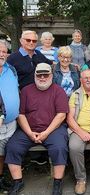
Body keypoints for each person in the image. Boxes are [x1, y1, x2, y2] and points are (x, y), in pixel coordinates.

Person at [5, 63, 69, 195]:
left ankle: (57, 182)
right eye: (39, 75)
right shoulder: (26, 90)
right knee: (12, 147)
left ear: (51, 75)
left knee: (59, 148)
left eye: (46, 74)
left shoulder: (58, 91)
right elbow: (20, 114)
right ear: (35, 75)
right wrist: (29, 133)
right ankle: (18, 182)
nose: (42, 77)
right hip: (29, 128)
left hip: (53, 129)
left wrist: (46, 133)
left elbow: (61, 115)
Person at [0, 40, 19, 191]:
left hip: (11, 122)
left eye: (4, 52)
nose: (1, 54)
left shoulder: (11, 69)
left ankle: (1, 178)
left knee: (2, 154)